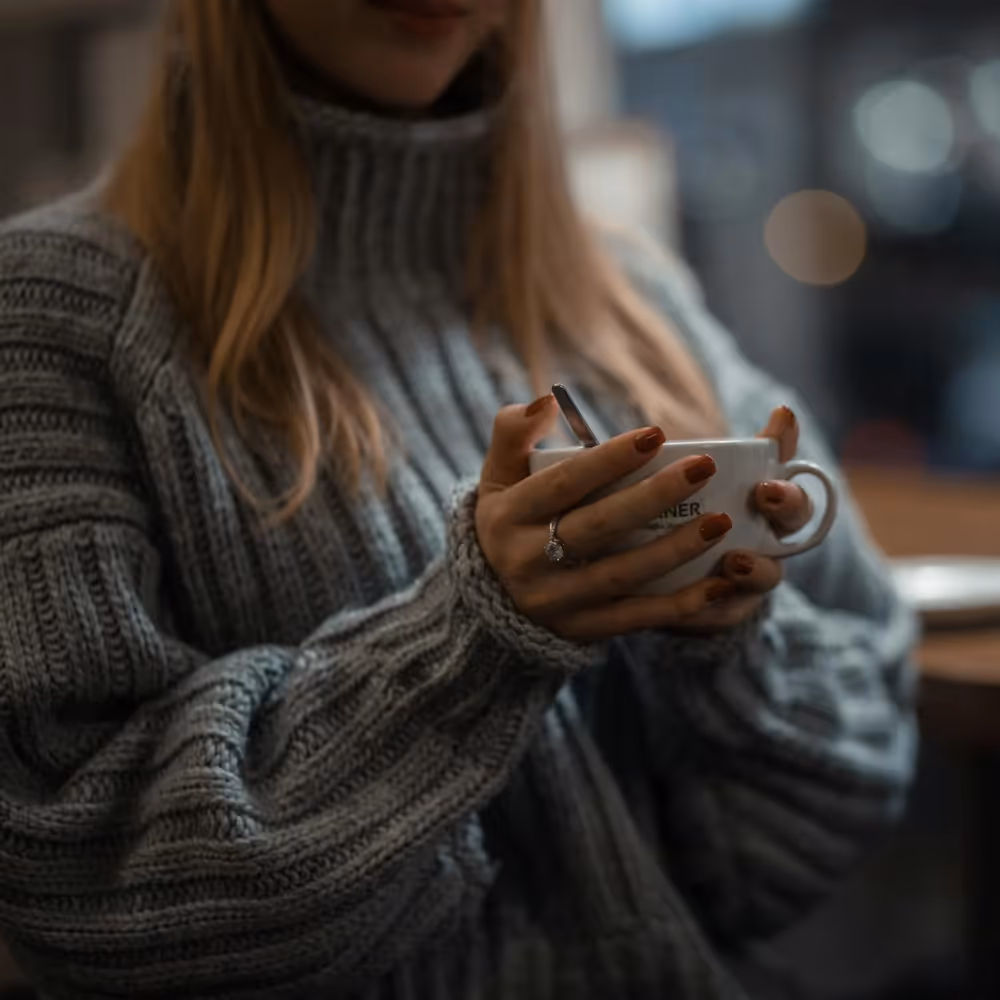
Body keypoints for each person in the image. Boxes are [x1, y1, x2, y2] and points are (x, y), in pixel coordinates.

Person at [0, 1, 916, 998]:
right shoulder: (51, 317)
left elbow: (828, 818)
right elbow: (77, 886)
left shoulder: (636, 303)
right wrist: (472, 643)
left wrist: (730, 650)